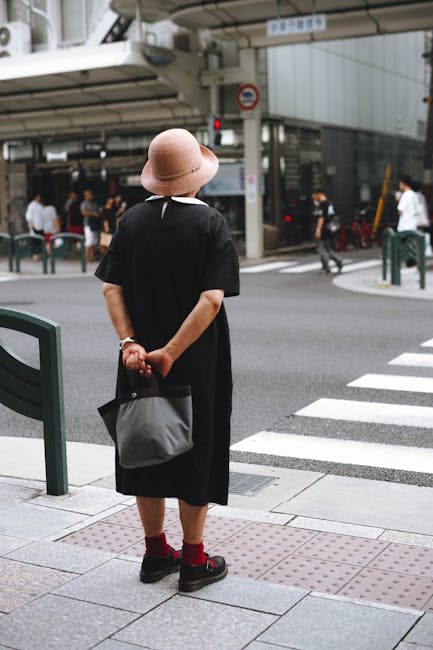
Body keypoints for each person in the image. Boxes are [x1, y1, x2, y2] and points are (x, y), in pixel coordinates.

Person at [95, 128, 239, 593]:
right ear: (197, 177)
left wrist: (131, 344)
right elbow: (211, 300)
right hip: (193, 357)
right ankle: (195, 560)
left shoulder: (131, 221)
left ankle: (155, 553)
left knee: (145, 445)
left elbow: (110, 287)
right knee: (198, 445)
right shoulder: (210, 223)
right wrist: (172, 352)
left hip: (137, 357)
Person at [311, 189, 343, 274]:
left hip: (323, 229)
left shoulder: (322, 205)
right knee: (328, 248)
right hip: (330, 229)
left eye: (314, 196)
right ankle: (339, 261)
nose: (313, 198)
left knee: (321, 249)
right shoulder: (329, 204)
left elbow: (321, 218)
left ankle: (326, 267)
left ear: (318, 194)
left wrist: (318, 229)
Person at [81, 189, 101, 262]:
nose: (91, 196)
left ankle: (91, 255)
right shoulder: (84, 203)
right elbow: (83, 212)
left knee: (94, 241)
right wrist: (93, 214)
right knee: (89, 241)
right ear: (86, 195)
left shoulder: (94, 203)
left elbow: (98, 212)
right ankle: (86, 256)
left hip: (95, 224)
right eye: (89, 194)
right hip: (88, 224)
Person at [25, 193, 44, 260]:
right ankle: (35, 255)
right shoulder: (31, 205)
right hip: (34, 227)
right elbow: (29, 217)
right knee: (35, 242)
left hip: (41, 227)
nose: (39, 198)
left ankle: (40, 255)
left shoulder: (40, 205)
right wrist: (31, 226)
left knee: (40, 242)